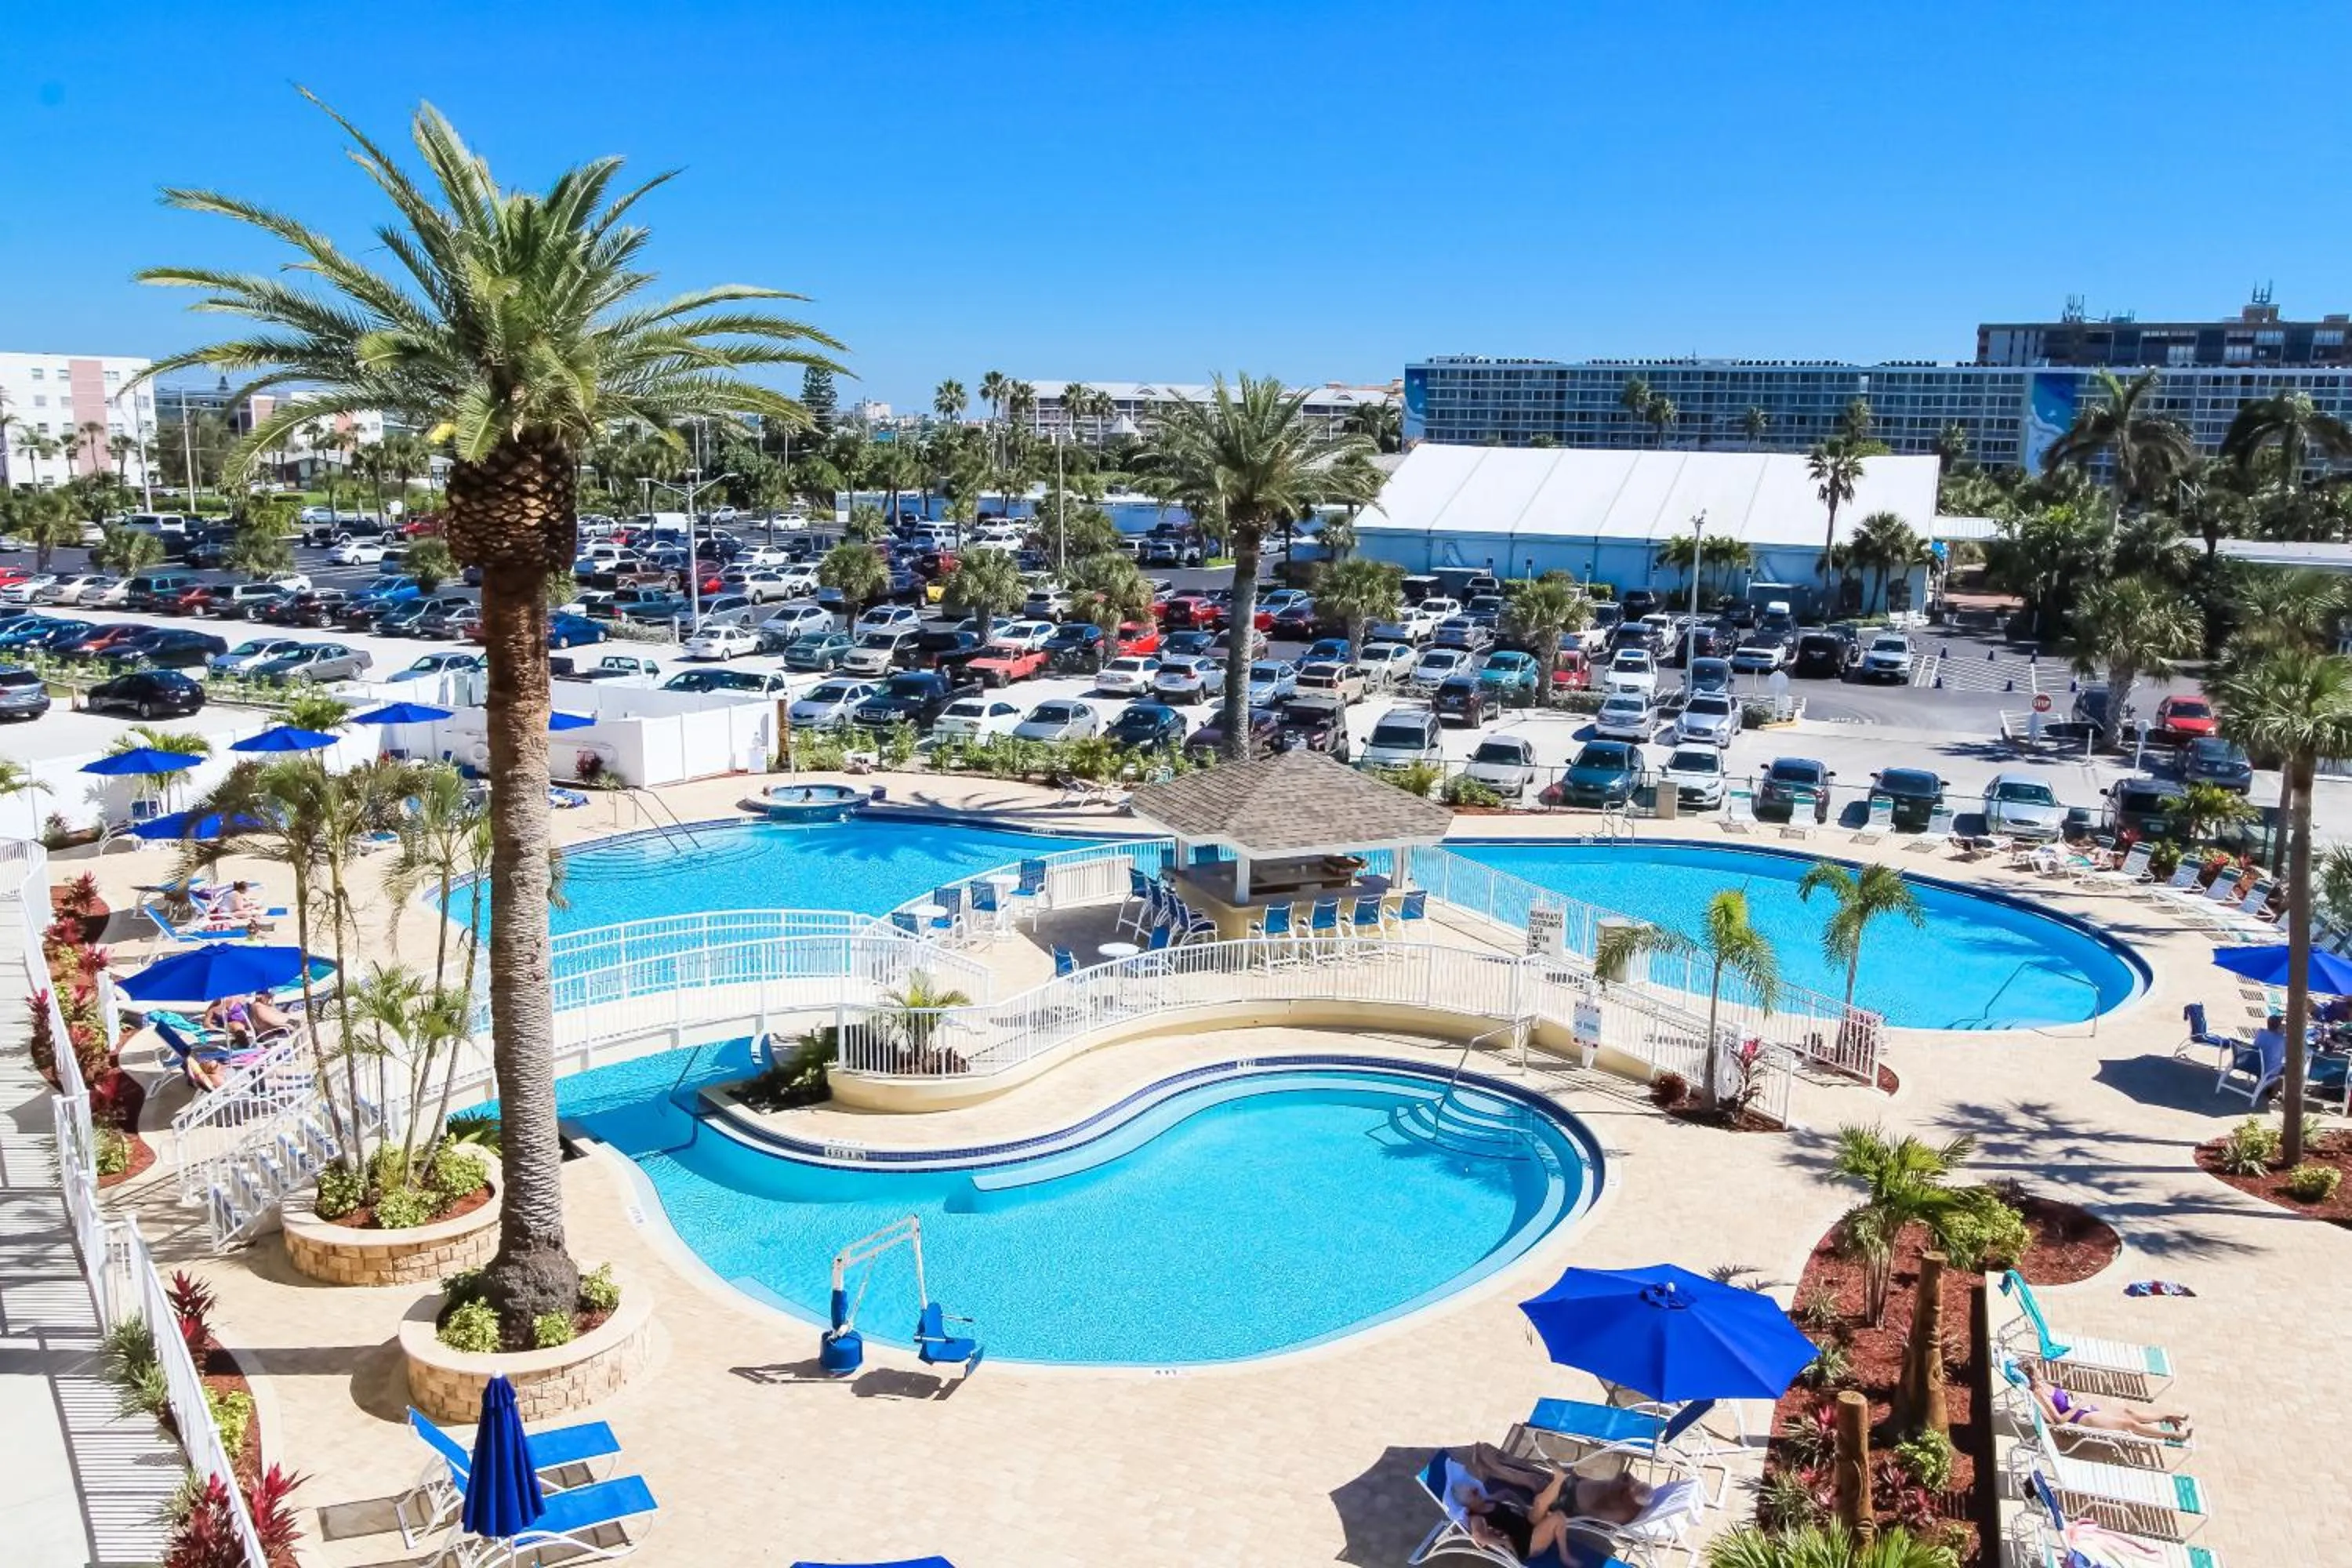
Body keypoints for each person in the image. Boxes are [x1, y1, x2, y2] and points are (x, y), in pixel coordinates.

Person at [1458, 1468, 1651, 1565]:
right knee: (1555, 1514)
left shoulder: (1489, 1501)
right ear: (1467, 1505)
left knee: (1540, 1505)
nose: (1476, 1489)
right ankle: (1564, 1555)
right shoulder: (1476, 1518)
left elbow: (1507, 1494)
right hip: (1525, 1545)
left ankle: (1558, 1481)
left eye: (1474, 1488)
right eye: (1472, 1493)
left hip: (1527, 1526)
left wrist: (1520, 1507)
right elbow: (1480, 1537)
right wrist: (1505, 1543)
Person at [2024, 1363, 2192, 1440]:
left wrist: (2074, 1400)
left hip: (2082, 1408)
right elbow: (2057, 1421)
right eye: (2037, 1370)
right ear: (2033, 1377)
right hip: (2081, 1417)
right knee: (2128, 1424)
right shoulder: (2040, 1394)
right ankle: (2173, 1435)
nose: (2040, 1370)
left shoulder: (2043, 1384)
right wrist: (2077, 1406)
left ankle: (2166, 1417)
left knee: (2128, 1413)